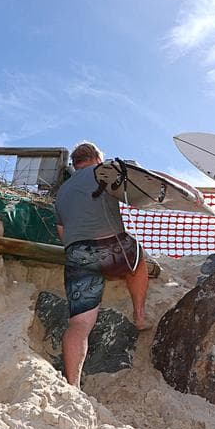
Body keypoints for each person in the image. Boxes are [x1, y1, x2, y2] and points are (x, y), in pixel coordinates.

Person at [53, 142, 149, 387]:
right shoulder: (105, 170)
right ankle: (139, 316)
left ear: (75, 164)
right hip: (111, 246)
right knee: (137, 260)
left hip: (77, 252)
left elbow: (62, 231)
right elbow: (142, 179)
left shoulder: (62, 191)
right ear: (96, 158)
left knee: (79, 324)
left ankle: (72, 385)